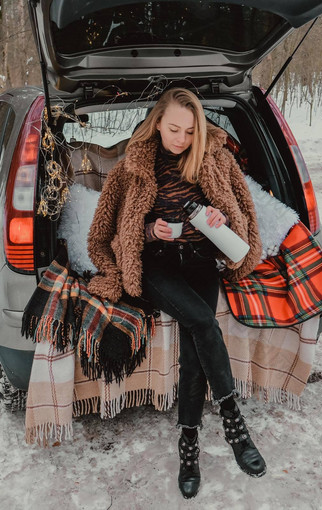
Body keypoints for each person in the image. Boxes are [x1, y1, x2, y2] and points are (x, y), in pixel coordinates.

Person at [87, 87, 266, 499]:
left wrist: (221, 219)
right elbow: (107, 230)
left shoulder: (214, 159)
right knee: (203, 320)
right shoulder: (131, 166)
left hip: (201, 256)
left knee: (194, 338)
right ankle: (233, 420)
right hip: (157, 263)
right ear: (157, 123)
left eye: (189, 130)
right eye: (173, 129)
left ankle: (189, 444)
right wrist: (151, 231)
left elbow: (242, 210)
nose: (181, 139)